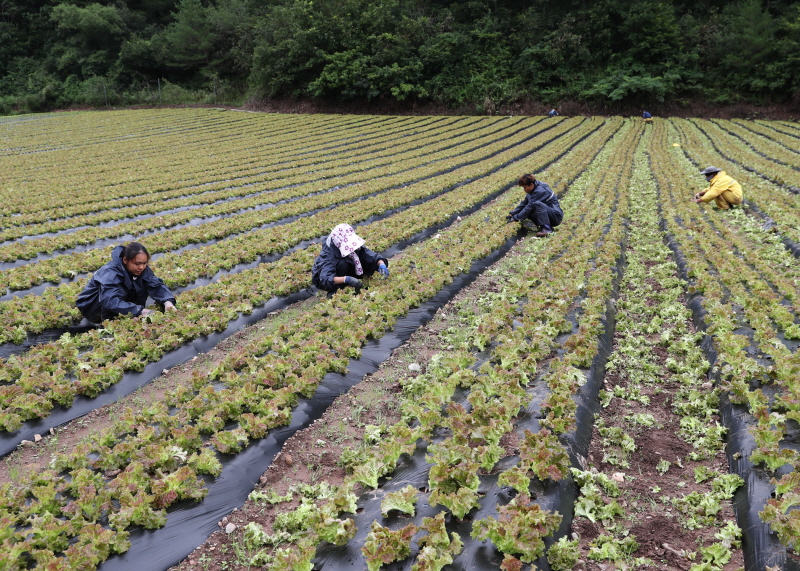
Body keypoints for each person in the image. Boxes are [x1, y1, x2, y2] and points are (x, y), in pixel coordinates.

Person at [76, 242, 177, 323]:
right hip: (93, 307)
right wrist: (139, 310)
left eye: (144, 263)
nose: (141, 267)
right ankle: (107, 324)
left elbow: (155, 285)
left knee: (143, 282)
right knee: (115, 293)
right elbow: (110, 300)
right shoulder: (111, 272)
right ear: (125, 260)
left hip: (120, 304)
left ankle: (129, 316)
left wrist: (167, 302)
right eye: (137, 263)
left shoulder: (142, 270)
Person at [311, 223, 389, 293]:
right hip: (330, 279)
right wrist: (347, 279)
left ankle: (357, 281)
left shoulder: (353, 246)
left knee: (362, 258)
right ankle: (339, 289)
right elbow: (326, 279)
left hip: (348, 272)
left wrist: (381, 264)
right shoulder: (328, 255)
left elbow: (369, 255)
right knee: (342, 264)